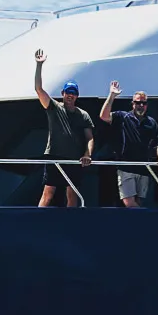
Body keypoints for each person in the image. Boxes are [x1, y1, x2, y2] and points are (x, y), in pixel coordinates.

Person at [33, 49, 94, 208]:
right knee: (48, 193)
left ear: (77, 96)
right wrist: (39, 65)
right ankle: (37, 219)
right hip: (54, 156)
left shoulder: (83, 115)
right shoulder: (54, 107)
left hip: (74, 159)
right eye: (68, 92)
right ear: (63, 93)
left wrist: (87, 154)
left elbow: (90, 137)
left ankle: (71, 224)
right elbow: (39, 89)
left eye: (73, 93)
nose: (70, 95)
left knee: (72, 194)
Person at [99, 82, 158, 208]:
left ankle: (136, 226)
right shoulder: (123, 116)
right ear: (132, 104)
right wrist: (112, 96)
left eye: (144, 103)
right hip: (126, 167)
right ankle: (143, 222)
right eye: (138, 103)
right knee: (129, 203)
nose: (141, 105)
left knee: (139, 202)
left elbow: (157, 143)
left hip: (144, 168)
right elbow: (104, 116)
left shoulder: (152, 123)